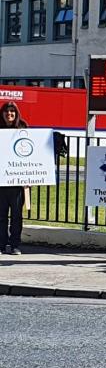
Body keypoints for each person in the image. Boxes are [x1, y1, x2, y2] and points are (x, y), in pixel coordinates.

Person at [0, 101, 28, 255]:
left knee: (17, 216)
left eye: (12, 111)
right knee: (1, 215)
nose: (9, 114)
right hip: (0, 181)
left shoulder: (23, 129)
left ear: (16, 113)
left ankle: (15, 244)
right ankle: (1, 245)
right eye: (6, 111)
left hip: (18, 182)